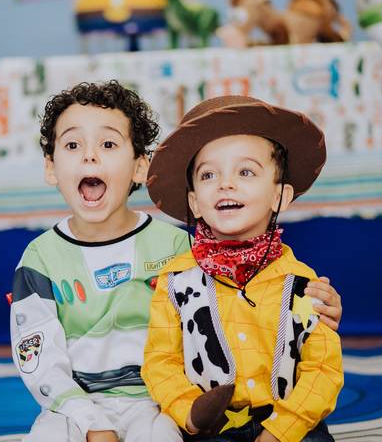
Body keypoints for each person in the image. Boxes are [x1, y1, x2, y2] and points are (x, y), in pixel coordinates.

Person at [10, 82, 343, 442]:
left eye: (108, 144)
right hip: (72, 406)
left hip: (154, 404)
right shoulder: (40, 259)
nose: (90, 157)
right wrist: (89, 420)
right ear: (50, 167)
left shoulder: (180, 249)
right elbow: (38, 359)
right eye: (73, 145)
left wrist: (318, 306)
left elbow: (239, 299)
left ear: (140, 166)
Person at [142, 95, 343, 442]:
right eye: (209, 175)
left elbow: (322, 369)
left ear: (279, 197)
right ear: (195, 203)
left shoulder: (302, 284)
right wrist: (190, 412)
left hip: (288, 424)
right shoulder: (175, 283)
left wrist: (281, 431)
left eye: (245, 171)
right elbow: (160, 361)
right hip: (212, 429)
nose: (226, 184)